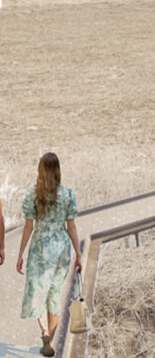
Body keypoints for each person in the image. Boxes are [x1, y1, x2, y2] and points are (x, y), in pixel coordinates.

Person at [17, 152, 82, 358]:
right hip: (61, 249)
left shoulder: (32, 195)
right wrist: (78, 254)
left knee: (35, 290)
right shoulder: (68, 195)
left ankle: (44, 330)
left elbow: (28, 227)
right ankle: (50, 341)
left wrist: (20, 254)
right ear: (58, 170)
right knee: (54, 295)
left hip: (40, 248)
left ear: (40, 170)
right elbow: (71, 227)